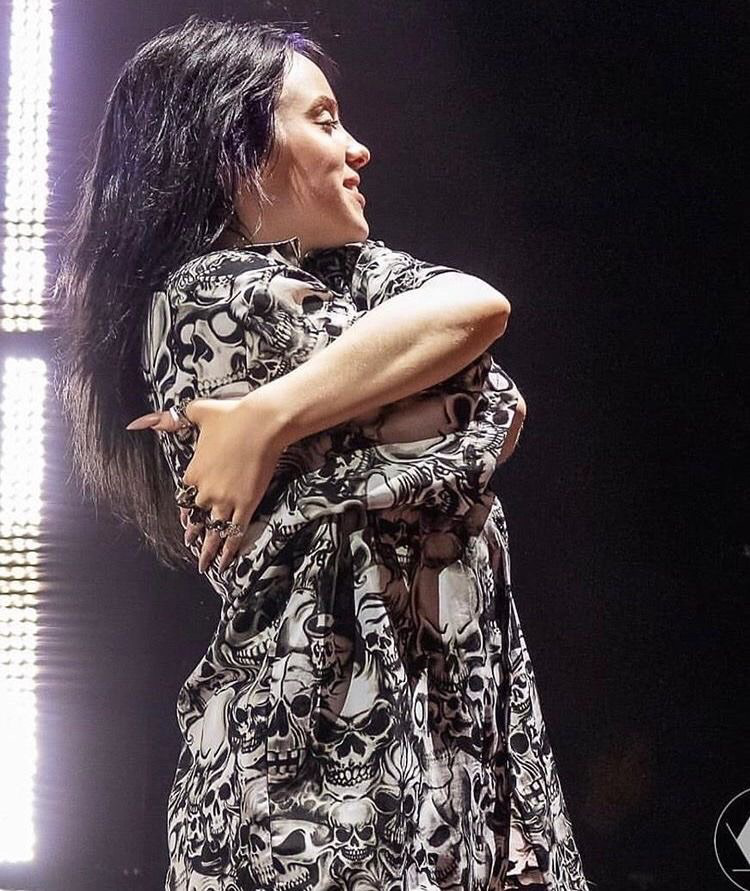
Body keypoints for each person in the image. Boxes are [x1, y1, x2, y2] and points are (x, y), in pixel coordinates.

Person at [53, 14, 591, 891]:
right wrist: (402, 367)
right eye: (324, 119)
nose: (359, 148)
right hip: (320, 790)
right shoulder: (206, 298)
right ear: (232, 150)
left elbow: (477, 307)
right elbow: (484, 403)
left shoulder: (350, 279)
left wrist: (269, 413)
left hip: (445, 765)